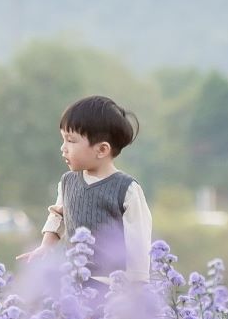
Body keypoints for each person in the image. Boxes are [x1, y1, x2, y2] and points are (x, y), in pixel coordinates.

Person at [16, 95, 152, 285]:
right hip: (72, 281)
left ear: (102, 150)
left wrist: (137, 286)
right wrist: (45, 247)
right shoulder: (67, 182)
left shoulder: (127, 189)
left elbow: (138, 240)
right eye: (63, 139)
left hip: (109, 285)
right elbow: (58, 217)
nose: (63, 148)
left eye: (71, 141)